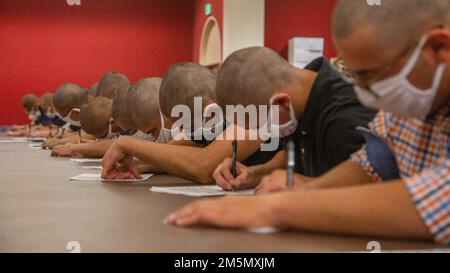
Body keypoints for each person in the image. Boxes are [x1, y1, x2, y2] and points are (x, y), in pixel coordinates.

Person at [166, 0, 450, 246]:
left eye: (371, 75)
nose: (363, 91)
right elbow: (371, 163)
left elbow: (438, 202)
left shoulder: (359, 107)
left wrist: (277, 208)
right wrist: (307, 191)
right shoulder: (408, 107)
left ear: (439, 48)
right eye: (357, 76)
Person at [210, 47, 376, 191]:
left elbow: (373, 188)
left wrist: (303, 185)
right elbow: (291, 155)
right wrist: (254, 174)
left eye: (260, 124)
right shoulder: (300, 100)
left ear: (282, 102)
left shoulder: (344, 116)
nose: (264, 131)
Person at [101, 63, 282, 183]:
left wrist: (128, 144)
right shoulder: (204, 118)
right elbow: (174, 150)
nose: (183, 131)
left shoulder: (251, 110)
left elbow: (204, 167)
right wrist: (136, 165)